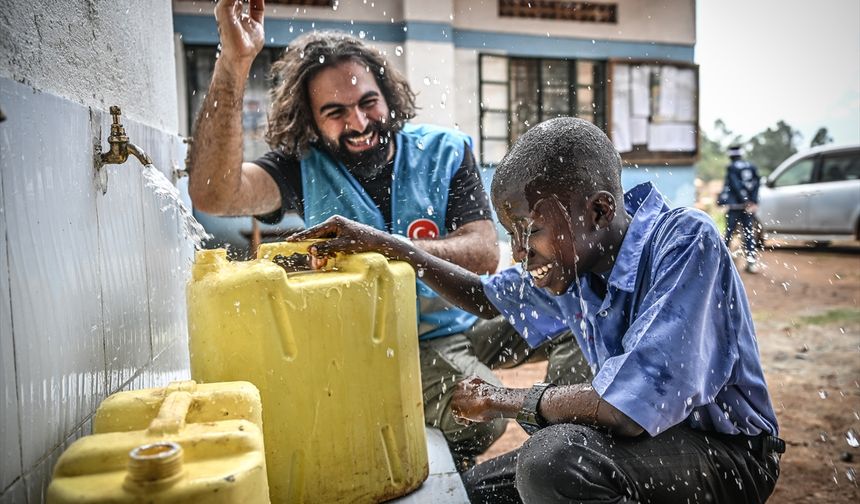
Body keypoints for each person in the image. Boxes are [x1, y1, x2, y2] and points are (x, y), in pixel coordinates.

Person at [291, 117, 784, 503]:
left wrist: (506, 399)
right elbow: (486, 296)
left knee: (553, 463)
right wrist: (388, 245)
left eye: (531, 230)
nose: (522, 251)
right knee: (474, 493)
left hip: (727, 457)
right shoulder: (574, 261)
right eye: (513, 234)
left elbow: (625, 410)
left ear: (598, 210)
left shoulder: (685, 241)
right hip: (643, 445)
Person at [187, 0, 588, 467]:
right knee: (484, 410)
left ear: (388, 95)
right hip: (391, 342)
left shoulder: (444, 151)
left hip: (466, 318)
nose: (358, 123)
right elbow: (214, 194)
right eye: (335, 112)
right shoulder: (300, 167)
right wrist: (234, 62)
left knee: (577, 310)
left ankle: (573, 446)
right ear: (311, 122)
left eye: (367, 103)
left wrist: (388, 246)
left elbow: (482, 253)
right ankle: (439, 457)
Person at [718, 145, 762, 273]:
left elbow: (734, 184)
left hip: (735, 206)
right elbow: (757, 183)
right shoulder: (751, 166)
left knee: (729, 232)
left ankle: (721, 260)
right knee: (748, 233)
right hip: (747, 207)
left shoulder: (732, 168)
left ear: (731, 156)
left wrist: (743, 199)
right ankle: (751, 262)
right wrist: (752, 201)